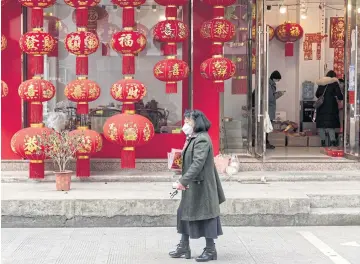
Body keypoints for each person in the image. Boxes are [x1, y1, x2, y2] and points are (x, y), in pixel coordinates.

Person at [169, 110, 226, 262]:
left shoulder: (202, 139)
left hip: (202, 185)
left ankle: (210, 249)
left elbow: (198, 163)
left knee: (206, 216)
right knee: (184, 212)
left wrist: (182, 181)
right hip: (193, 184)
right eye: (185, 121)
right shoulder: (192, 138)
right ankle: (184, 246)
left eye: (188, 121)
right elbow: (191, 160)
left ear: (197, 122)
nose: (185, 124)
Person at [251, 70, 283, 149]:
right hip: (267, 109)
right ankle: (265, 143)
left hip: (264, 108)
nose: (278, 81)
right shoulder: (268, 85)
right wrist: (279, 94)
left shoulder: (267, 84)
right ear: (275, 78)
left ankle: (259, 142)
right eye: (278, 79)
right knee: (266, 126)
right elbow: (269, 98)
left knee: (262, 126)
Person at [315, 70, 343, 147]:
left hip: (321, 107)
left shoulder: (321, 83)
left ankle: (323, 142)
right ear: (334, 77)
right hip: (331, 107)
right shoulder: (334, 83)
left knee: (321, 125)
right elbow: (340, 96)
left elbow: (317, 94)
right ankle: (333, 142)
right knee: (330, 125)